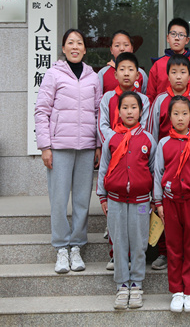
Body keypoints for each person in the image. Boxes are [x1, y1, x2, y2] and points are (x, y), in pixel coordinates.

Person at [34, 28, 102, 274]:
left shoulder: (93, 77)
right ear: (63, 48)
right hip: (59, 147)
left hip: (86, 148)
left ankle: (77, 247)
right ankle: (62, 248)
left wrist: (98, 145)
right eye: (70, 43)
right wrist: (45, 146)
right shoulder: (53, 74)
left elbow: (99, 113)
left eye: (79, 43)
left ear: (85, 49)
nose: (75, 47)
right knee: (59, 199)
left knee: (82, 200)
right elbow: (42, 110)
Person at [97, 92, 156, 309]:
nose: (129, 112)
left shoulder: (148, 140)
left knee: (139, 243)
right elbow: (103, 169)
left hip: (141, 202)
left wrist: (155, 199)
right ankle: (122, 285)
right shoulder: (112, 139)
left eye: (134, 107)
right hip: (115, 201)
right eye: (125, 108)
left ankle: (136, 283)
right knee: (119, 242)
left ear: (141, 111)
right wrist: (102, 196)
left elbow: (154, 171)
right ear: (118, 111)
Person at [153, 96, 190, 313]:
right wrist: (158, 202)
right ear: (169, 117)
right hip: (170, 201)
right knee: (174, 246)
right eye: (176, 114)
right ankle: (177, 290)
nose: (180, 118)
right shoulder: (163, 144)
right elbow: (158, 173)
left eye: (184, 114)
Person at [148, 54, 190, 142]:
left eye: (183, 72)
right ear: (168, 76)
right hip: (165, 150)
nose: (178, 77)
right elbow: (152, 133)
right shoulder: (160, 101)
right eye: (174, 72)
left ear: (189, 76)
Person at [146, 18, 190, 102]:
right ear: (168, 38)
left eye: (181, 35)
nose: (177, 38)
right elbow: (150, 97)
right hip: (164, 110)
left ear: (187, 40)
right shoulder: (157, 65)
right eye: (173, 34)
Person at [98, 52, 150, 144]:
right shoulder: (107, 98)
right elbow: (102, 126)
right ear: (116, 75)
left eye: (130, 69)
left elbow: (144, 126)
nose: (126, 74)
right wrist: (115, 143)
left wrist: (130, 145)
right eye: (122, 69)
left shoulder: (144, 100)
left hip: (136, 147)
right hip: (112, 147)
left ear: (137, 75)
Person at [98, 29, 148, 94]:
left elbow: (146, 97)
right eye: (117, 45)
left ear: (132, 48)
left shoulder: (140, 73)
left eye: (126, 45)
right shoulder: (102, 73)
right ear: (111, 50)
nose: (122, 49)